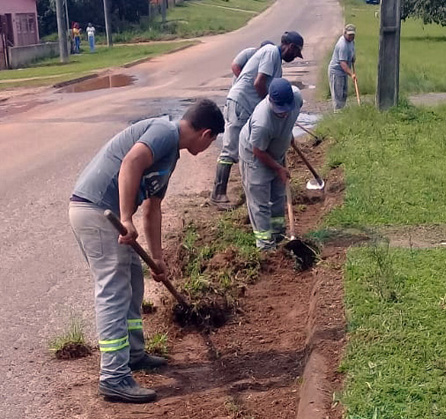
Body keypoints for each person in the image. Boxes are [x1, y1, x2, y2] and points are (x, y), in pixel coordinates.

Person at [69, 100, 225, 403]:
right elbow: (130, 163)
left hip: (109, 214)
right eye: (213, 141)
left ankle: (134, 354)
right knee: (113, 291)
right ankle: (114, 376)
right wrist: (126, 218)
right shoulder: (164, 131)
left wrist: (157, 258)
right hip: (97, 211)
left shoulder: (171, 155)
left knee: (133, 284)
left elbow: (153, 208)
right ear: (206, 135)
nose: (211, 146)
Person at [210, 31, 304, 211]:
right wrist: (267, 110)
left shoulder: (277, 63)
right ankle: (217, 194)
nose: (295, 57)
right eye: (296, 52)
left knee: (250, 145)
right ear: (290, 47)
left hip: (249, 107)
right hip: (241, 104)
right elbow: (258, 83)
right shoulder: (270, 52)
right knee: (231, 149)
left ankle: (251, 191)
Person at [238, 78, 303, 250]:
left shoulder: (297, 99)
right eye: (279, 110)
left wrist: (286, 136)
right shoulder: (262, 121)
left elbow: (288, 121)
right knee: (260, 202)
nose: (283, 113)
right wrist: (279, 168)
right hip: (255, 156)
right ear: (270, 100)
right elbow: (258, 151)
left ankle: (278, 234)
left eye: (285, 110)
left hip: (276, 152)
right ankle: (265, 245)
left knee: (278, 195)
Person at [328, 24, 357, 112]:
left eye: (353, 35)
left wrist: (353, 57)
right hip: (336, 72)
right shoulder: (342, 45)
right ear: (344, 33)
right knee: (338, 96)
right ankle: (337, 114)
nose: (351, 36)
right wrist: (352, 74)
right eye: (349, 35)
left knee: (344, 94)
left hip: (343, 72)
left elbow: (351, 51)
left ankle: (342, 112)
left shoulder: (351, 41)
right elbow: (343, 64)